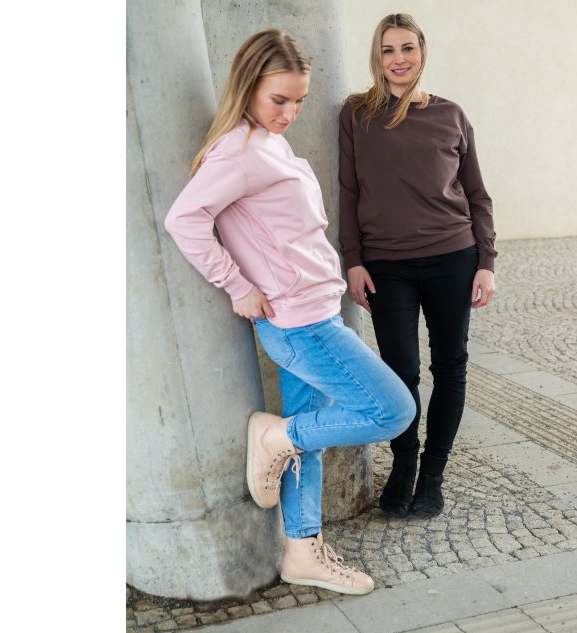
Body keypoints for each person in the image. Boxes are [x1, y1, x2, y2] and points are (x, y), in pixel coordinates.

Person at [164, 29, 415, 595]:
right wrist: (235, 284)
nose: (290, 113)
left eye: (299, 100)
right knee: (392, 409)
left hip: (314, 313)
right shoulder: (238, 152)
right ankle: (276, 437)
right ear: (249, 86)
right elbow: (184, 219)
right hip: (301, 324)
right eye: (279, 99)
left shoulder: (268, 142)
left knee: (309, 438)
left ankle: (302, 551)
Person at [339, 13, 496, 518]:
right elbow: (348, 191)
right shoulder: (357, 114)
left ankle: (433, 475)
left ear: (422, 52)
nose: (399, 59)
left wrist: (486, 261)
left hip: (454, 256)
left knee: (450, 366)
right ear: (377, 56)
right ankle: (404, 464)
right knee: (399, 372)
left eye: (407, 48)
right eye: (388, 50)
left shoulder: (450, 115)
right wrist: (353, 260)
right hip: (387, 266)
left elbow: (476, 194)